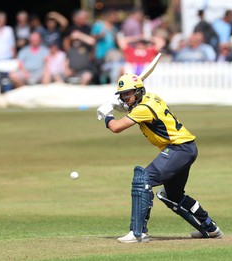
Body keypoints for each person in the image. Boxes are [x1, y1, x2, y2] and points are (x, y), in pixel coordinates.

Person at [96, 72, 224, 243]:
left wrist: (108, 114)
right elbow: (138, 109)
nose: (125, 98)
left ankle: (138, 233)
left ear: (139, 91)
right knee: (173, 195)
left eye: (128, 94)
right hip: (186, 148)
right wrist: (125, 107)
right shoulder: (152, 98)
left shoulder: (143, 109)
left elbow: (116, 127)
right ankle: (210, 228)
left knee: (143, 179)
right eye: (122, 95)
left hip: (179, 149)